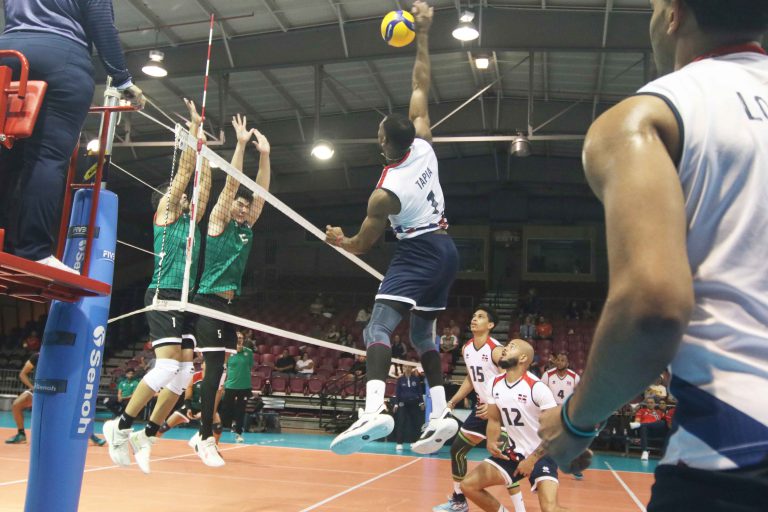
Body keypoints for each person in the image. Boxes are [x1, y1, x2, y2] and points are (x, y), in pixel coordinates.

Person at [538, 2, 768, 511]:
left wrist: (576, 422)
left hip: (737, 452)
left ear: (672, 14)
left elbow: (653, 307)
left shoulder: (647, 117)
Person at [325, 1, 459, 456]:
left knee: (378, 327)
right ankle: (439, 413)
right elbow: (421, 80)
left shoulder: (384, 192)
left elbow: (364, 244)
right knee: (422, 336)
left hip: (418, 251)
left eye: (379, 135)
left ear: (386, 144)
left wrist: (341, 240)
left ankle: (374, 410)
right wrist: (423, 31)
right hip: (447, 249)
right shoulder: (423, 140)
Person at [102, 100, 211, 474]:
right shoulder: (165, 214)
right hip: (163, 294)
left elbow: (204, 188)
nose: (185, 197)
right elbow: (183, 177)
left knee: (183, 377)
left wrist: (206, 151)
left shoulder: (191, 224)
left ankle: (146, 432)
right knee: (166, 369)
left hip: (185, 301)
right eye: (179, 195)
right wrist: (193, 134)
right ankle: (119, 424)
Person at [0, 0, 143, 270]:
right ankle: (33, 250)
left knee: (6, 152)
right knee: (47, 157)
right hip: (61, 56)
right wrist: (123, 79)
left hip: (9, 51)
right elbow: (101, 24)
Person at [189, 115, 271, 467]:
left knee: (218, 370)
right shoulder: (219, 222)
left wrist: (264, 155)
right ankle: (204, 435)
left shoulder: (246, 227)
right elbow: (231, 185)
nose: (242, 204)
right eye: (238, 202)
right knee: (211, 370)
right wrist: (239, 146)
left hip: (228, 306)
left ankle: (204, 432)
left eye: (244, 203)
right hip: (206, 300)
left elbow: (261, 194)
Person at [461, 340, 568, 512]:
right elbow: (494, 419)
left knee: (550, 509)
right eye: (506, 346)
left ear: (523, 357)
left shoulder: (537, 388)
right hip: (514, 453)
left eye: (511, 347)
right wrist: (491, 441)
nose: (504, 349)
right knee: (468, 485)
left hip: (542, 453)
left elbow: (555, 432)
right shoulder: (494, 383)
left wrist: (531, 460)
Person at [434, 308, 503, 512]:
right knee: (457, 450)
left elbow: (509, 380)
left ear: (490, 325)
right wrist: (453, 401)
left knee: (506, 460)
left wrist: (494, 406)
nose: (474, 319)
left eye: (480, 317)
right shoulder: (466, 348)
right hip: (480, 409)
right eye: (473, 316)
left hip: (500, 412)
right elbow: (471, 378)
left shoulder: (496, 350)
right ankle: (459, 499)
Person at [5, 352, 104, 446]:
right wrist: (33, 387)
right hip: (41, 389)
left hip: (58, 390)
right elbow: (22, 374)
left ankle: (91, 435)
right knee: (16, 404)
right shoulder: (37, 357)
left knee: (75, 411)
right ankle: (21, 434)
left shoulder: (63, 358)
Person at [543, 353, 583, 479]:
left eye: (563, 360)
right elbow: (540, 392)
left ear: (567, 363)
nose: (560, 362)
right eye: (558, 360)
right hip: (551, 410)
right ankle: (544, 465)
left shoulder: (574, 376)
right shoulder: (548, 375)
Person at [219, 332, 254, 443]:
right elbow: (225, 368)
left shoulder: (249, 352)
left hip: (244, 387)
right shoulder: (228, 353)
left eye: (241, 338)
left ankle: (238, 433)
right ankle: (221, 428)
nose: (239, 339)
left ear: (243, 340)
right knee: (225, 408)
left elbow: (250, 366)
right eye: (238, 338)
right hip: (230, 386)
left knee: (241, 410)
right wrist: (222, 384)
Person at [392, 365, 425, 451]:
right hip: (403, 403)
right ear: (403, 368)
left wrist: (421, 402)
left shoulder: (416, 379)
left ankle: (413, 442)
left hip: (414, 403)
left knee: (414, 423)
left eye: (409, 367)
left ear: (411, 368)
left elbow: (419, 392)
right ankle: (399, 443)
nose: (407, 368)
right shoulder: (400, 379)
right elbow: (397, 392)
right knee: (401, 422)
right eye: (406, 367)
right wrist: (396, 404)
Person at [629, 397, 666, 461]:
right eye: (648, 403)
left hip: (656, 432)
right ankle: (645, 452)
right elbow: (636, 421)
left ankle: (642, 424)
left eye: (651, 403)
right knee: (643, 427)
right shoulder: (641, 411)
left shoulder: (659, 412)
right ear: (646, 404)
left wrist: (664, 409)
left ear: (654, 404)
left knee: (662, 422)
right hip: (646, 431)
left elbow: (668, 420)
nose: (650, 404)